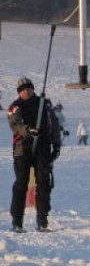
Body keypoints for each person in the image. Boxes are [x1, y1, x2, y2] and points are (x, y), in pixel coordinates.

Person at [7, 77, 61, 232]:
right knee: (21, 184)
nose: (26, 91)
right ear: (19, 92)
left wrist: (56, 144)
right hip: (22, 150)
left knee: (44, 184)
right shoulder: (15, 106)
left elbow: (54, 124)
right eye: (23, 89)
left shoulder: (44, 103)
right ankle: (17, 221)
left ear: (33, 88)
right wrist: (27, 130)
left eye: (28, 88)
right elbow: (14, 124)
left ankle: (42, 220)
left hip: (42, 149)